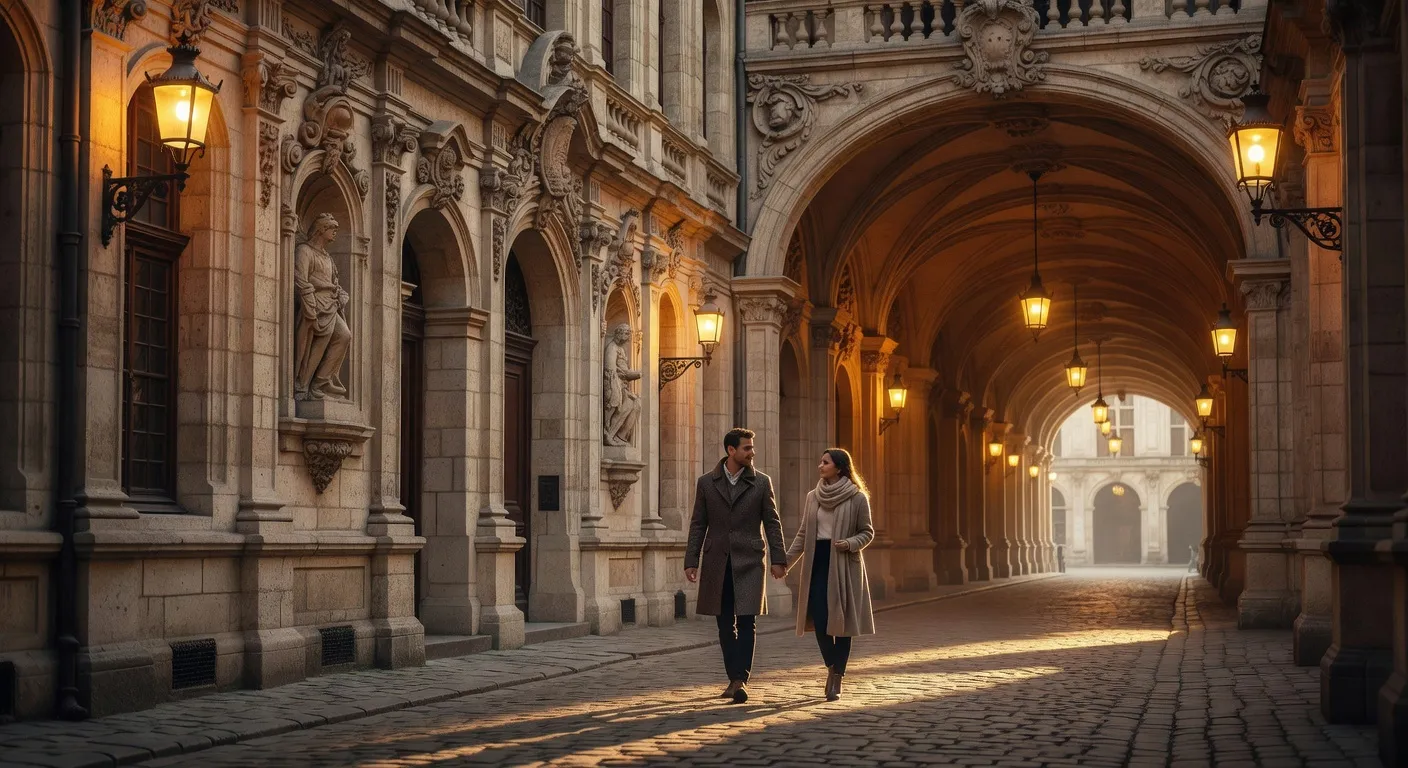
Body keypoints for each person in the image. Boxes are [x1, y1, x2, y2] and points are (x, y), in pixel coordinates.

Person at [684, 428, 788, 704]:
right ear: (731, 451)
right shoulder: (707, 483)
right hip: (718, 561)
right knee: (723, 624)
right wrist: (691, 560)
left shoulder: (762, 483)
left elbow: (773, 523)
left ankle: (740, 679)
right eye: (747, 448)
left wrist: (779, 559)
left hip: (750, 561)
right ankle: (734, 677)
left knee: (747, 622)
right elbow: (698, 524)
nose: (752, 453)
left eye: (752, 448)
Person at [785, 448, 875, 701]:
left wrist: (849, 543)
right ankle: (832, 666)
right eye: (820, 462)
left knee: (843, 624)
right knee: (821, 619)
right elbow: (803, 534)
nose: (820, 466)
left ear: (839, 467)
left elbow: (867, 532)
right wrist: (785, 562)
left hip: (844, 564)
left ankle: (837, 677)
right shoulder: (813, 497)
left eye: (825, 462)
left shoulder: (858, 498)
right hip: (817, 562)